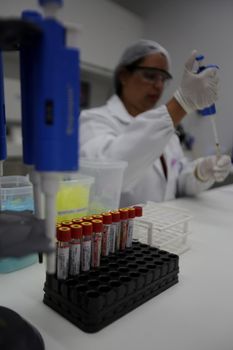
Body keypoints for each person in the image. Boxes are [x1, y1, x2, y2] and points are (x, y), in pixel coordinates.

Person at [80, 39, 231, 206]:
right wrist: (181, 104)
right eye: (150, 76)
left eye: (163, 78)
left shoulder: (166, 129)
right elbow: (107, 178)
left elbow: (177, 183)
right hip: (125, 230)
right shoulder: (94, 120)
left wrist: (200, 172)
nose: (159, 85)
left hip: (167, 227)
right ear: (124, 76)